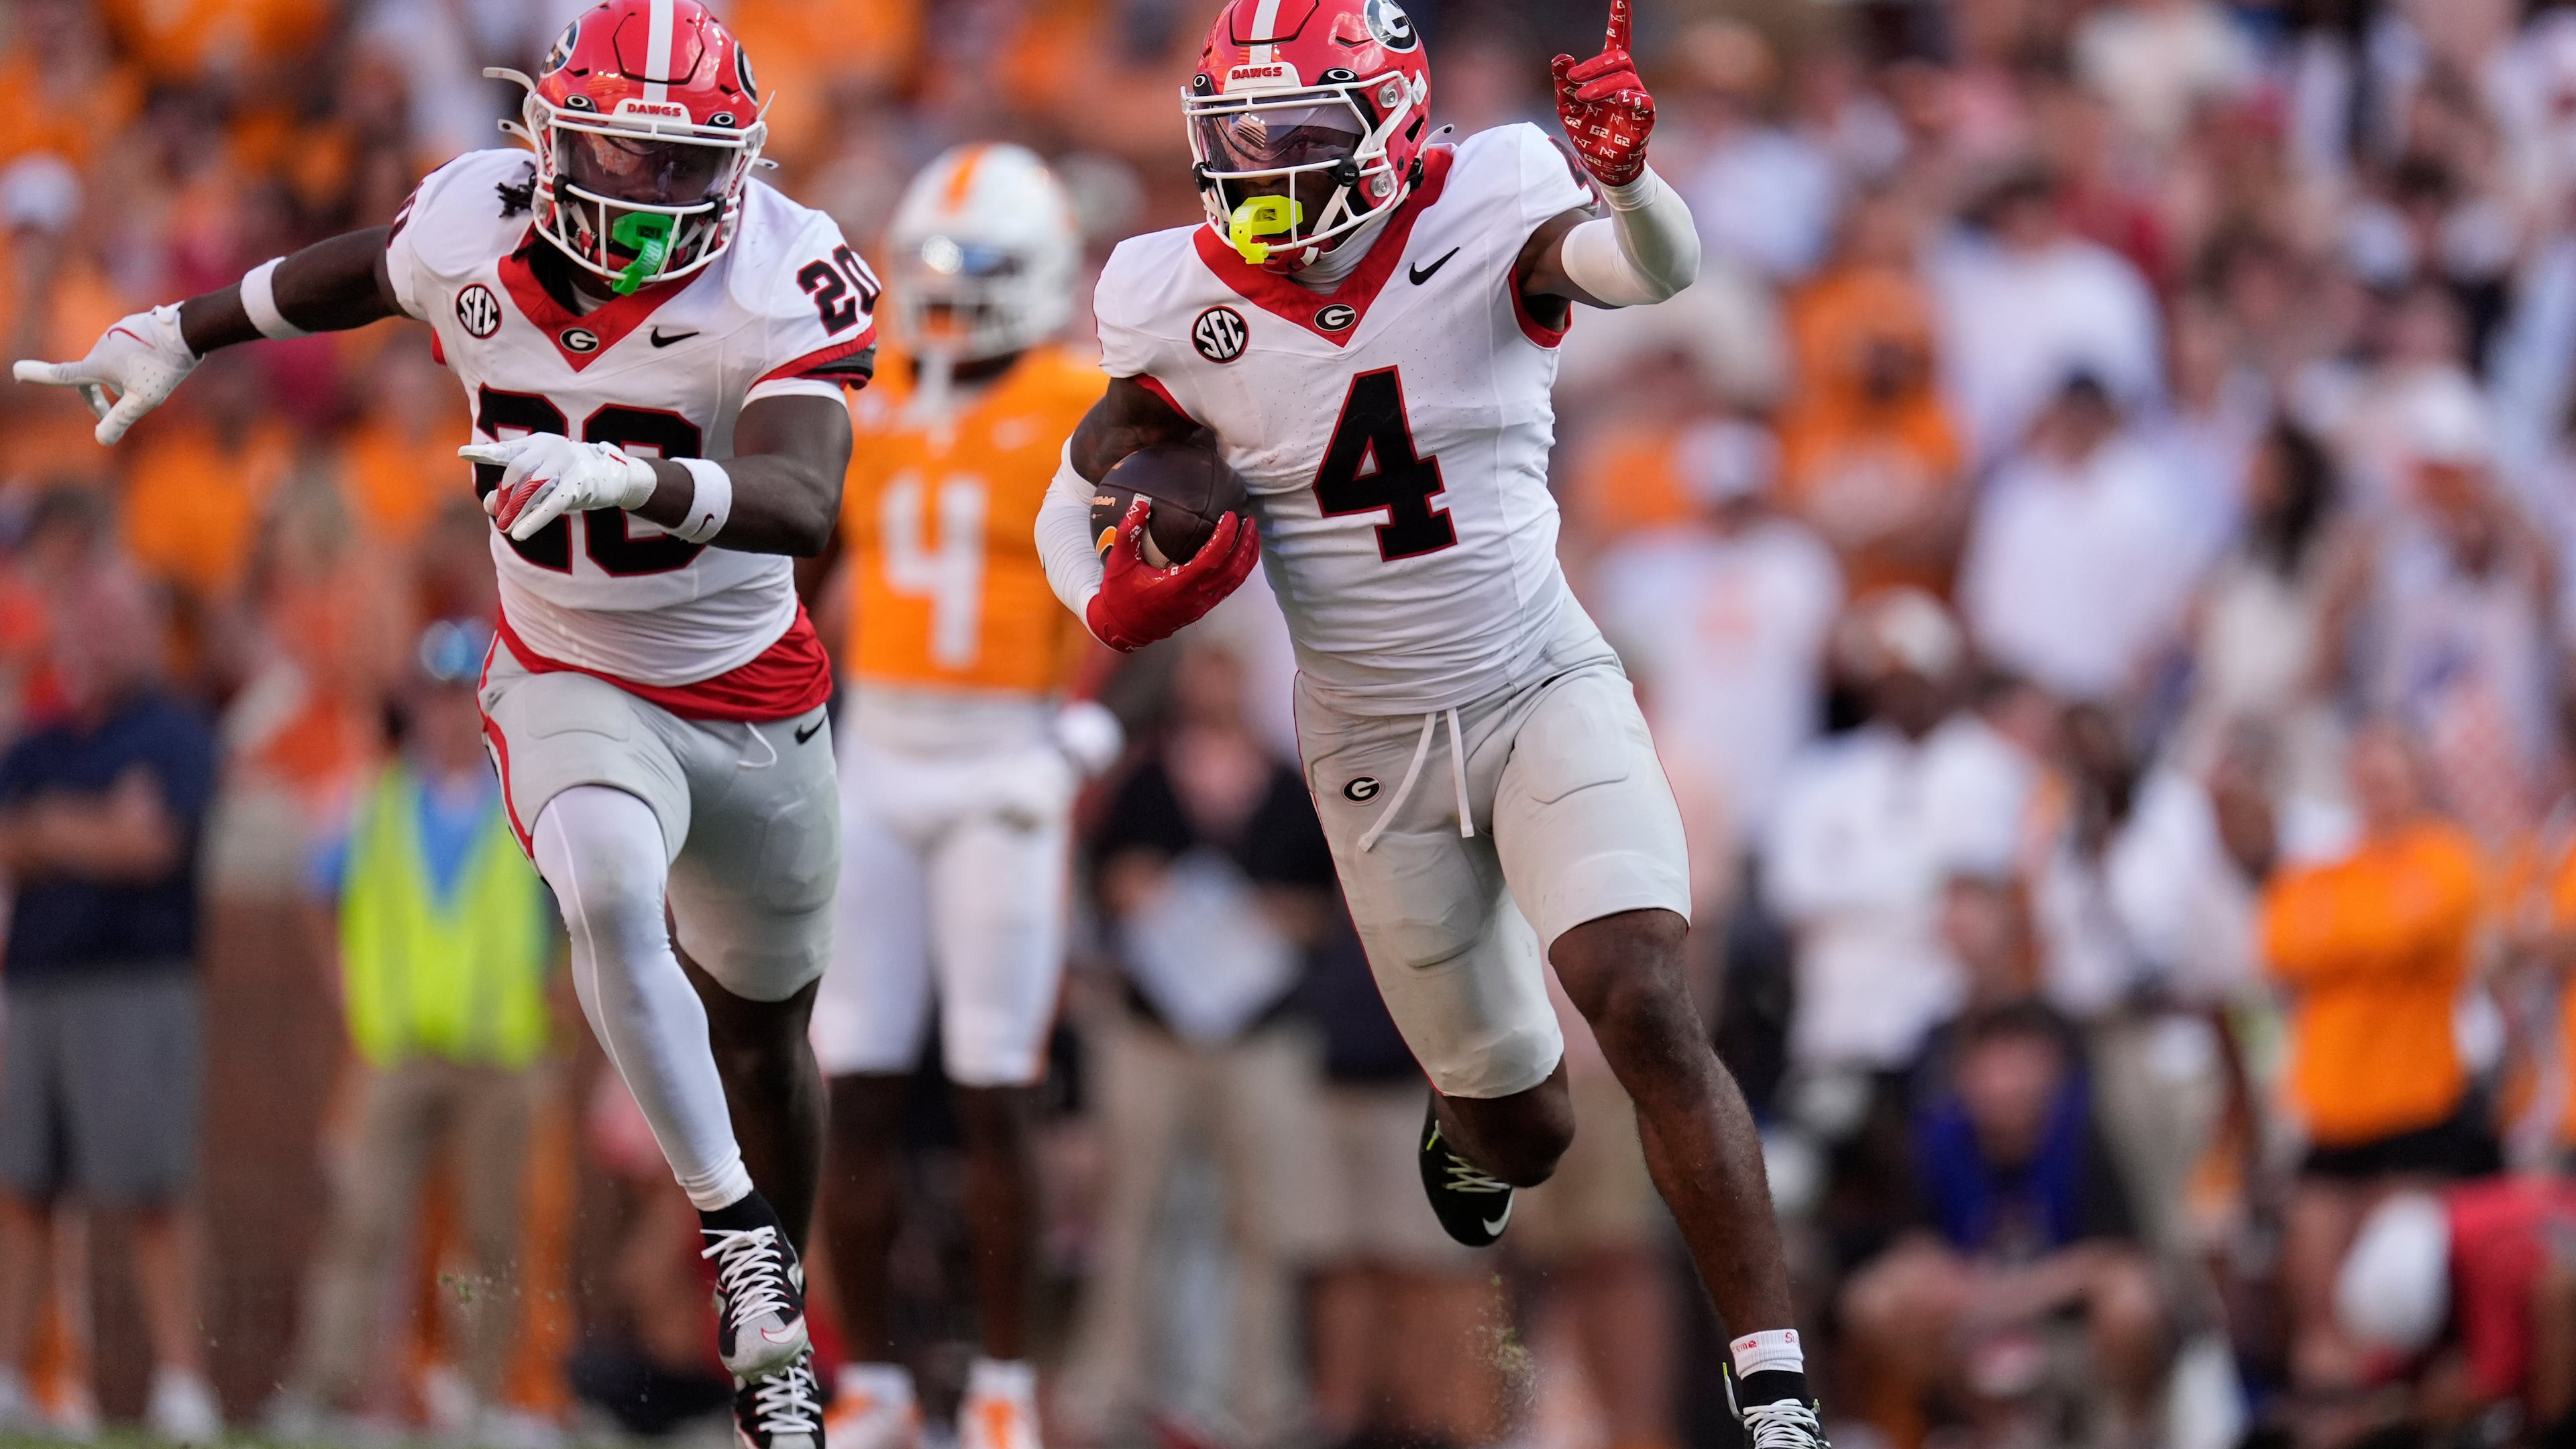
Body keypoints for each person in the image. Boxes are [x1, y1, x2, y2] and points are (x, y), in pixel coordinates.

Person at [13, 5, 874, 1442]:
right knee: (604, 885)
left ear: (743, 164)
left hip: (752, 696)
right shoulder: (477, 218)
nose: (652, 197)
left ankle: (772, 1245)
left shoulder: (788, 271)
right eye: (620, 154)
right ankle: (734, 1238)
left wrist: (640, 488)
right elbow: (367, 276)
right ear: (549, 137)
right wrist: (183, 326)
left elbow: (806, 498)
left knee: (771, 1030)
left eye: (684, 167)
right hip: (569, 669)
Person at [1032, 1, 1829, 1438]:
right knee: (1521, 1125)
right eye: (1243, 139)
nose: (1267, 170)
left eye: (1301, 136)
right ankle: (1473, 1117)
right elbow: (1075, 478)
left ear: (1394, 128)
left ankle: (1776, 1392)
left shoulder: (1496, 193)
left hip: (1537, 681)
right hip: (1369, 747)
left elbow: (1648, 267)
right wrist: (1108, 601)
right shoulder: (1167, 293)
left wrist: (1634, 183)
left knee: (1641, 994)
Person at [809, 143, 1114, 1449]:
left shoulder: (1088, 398)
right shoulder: (863, 386)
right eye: (926, 267)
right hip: (875, 754)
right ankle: (871, 1384)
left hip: (1003, 758)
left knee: (999, 1086)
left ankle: (1003, 1387)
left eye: (969, 269)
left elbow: (1176, 571)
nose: (942, 294)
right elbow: (799, 561)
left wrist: (1084, 735)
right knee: (857, 1080)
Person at [268, 619, 558, 1446]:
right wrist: (345, 984)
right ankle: (328, 1392)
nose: (444, 717)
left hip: (497, 1048)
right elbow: (317, 887)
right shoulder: (378, 796)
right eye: (432, 699)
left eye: (459, 698)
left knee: (493, 1231)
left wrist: (553, 1012)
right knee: (363, 1220)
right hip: (397, 1048)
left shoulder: (521, 802)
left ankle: (486, 1395)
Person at [0, 557, 221, 1443]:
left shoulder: (174, 733)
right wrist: (82, 828)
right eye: (84, 622)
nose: (95, 640)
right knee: (22, 1187)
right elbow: (22, 834)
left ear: (145, 633)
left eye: (113, 623)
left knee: (151, 1188)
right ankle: (12, 1373)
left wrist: (53, 830)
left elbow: (151, 848)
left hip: (137, 985)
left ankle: (182, 1379)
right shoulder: (39, 742)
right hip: (38, 984)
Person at [2261, 721, 2499, 1395]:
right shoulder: (2323, 868)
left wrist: (2341, 940)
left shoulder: (2448, 857)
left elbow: (2419, 925)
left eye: (2391, 776)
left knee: (2400, 1311)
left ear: (2419, 782)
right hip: (2334, 1109)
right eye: (2367, 777)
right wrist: (2375, 934)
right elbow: (2282, 945)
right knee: (2318, 1316)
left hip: (2419, 1105)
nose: (2379, 791)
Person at [1839, 1003, 2167, 1448]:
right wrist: (1950, 1283)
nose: (2006, 1084)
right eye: (1993, 1068)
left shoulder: (2084, 1134)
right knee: (1874, 1298)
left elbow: (2114, 1253)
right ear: (1965, 1074)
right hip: (1969, 1312)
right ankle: (1989, 1422)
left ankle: (2126, 1429)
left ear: (2052, 1071)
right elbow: (1913, 1242)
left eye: (2020, 1067)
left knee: (2134, 1299)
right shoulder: (1937, 1137)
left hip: (2064, 1314)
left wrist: (2013, 1297)